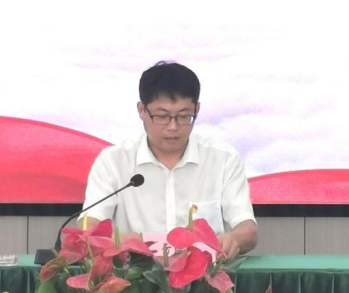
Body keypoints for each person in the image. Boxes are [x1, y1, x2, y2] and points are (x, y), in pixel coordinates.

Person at [82, 61, 258, 260]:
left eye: (184, 116)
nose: (173, 127)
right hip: (133, 273)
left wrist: (233, 239)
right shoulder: (113, 161)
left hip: (205, 272)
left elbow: (248, 229)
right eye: (162, 116)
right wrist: (121, 240)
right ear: (141, 110)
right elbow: (89, 225)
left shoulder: (223, 158)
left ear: (197, 109)